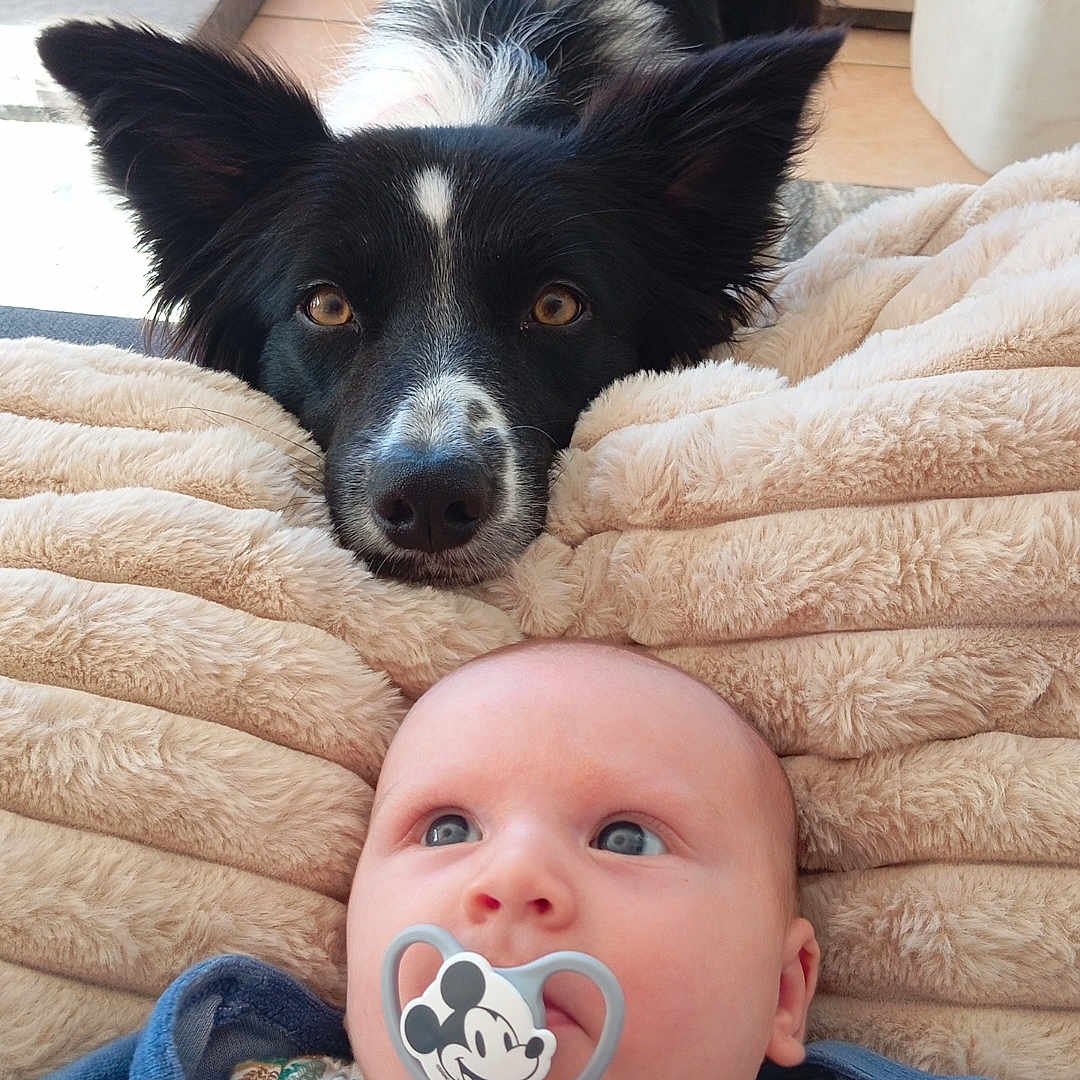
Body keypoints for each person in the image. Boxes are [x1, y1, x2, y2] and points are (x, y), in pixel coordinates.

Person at [51, 641, 993, 1080]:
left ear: (783, 996)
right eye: (447, 829)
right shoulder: (227, 1055)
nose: (509, 881)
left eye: (625, 838)